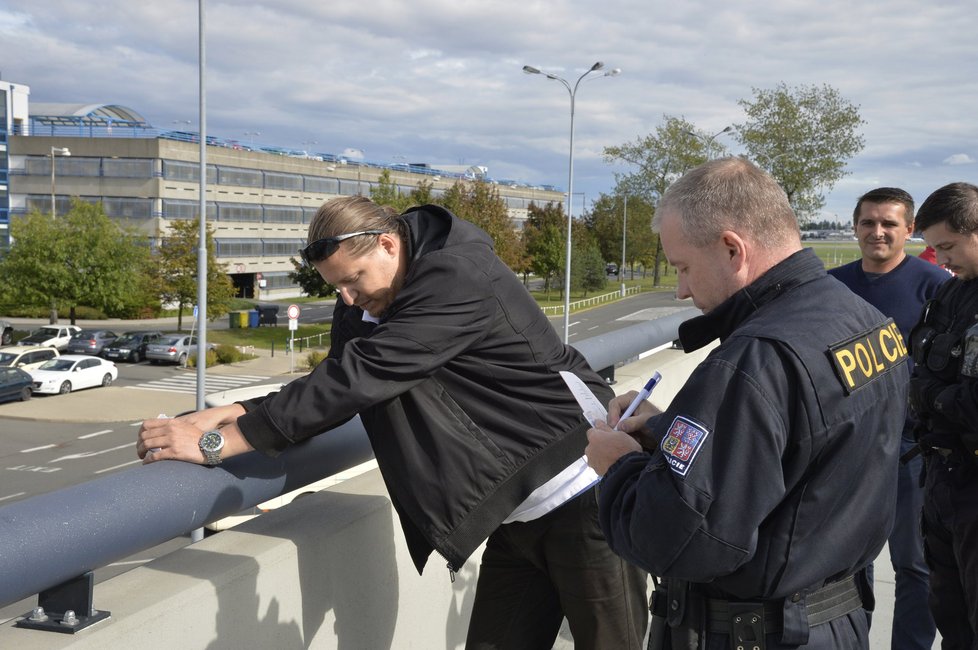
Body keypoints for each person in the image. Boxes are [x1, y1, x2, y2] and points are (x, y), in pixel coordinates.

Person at [137, 196, 648, 648]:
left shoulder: (458, 275)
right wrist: (243, 411)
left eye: (353, 281)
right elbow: (335, 385)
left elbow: (366, 375)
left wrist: (215, 445)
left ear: (387, 243)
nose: (347, 299)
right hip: (515, 509)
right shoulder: (364, 304)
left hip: (583, 492)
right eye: (336, 287)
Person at [585, 158, 910, 649]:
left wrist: (620, 468)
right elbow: (795, 453)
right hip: (835, 620)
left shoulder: (755, 359)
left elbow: (680, 540)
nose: (682, 289)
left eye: (684, 267)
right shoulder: (861, 317)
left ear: (733, 249)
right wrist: (669, 428)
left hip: (757, 631)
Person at [827, 187, 947, 650]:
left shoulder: (935, 287)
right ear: (854, 226)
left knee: (914, 564)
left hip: (910, 450)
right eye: (868, 222)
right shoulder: (830, 286)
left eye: (889, 224)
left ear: (909, 230)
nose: (877, 232)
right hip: (844, 447)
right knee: (848, 564)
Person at [907, 181, 978, 649]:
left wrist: (925, 391)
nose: (940, 259)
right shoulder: (953, 294)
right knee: (951, 617)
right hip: (942, 477)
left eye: (947, 246)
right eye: (933, 248)